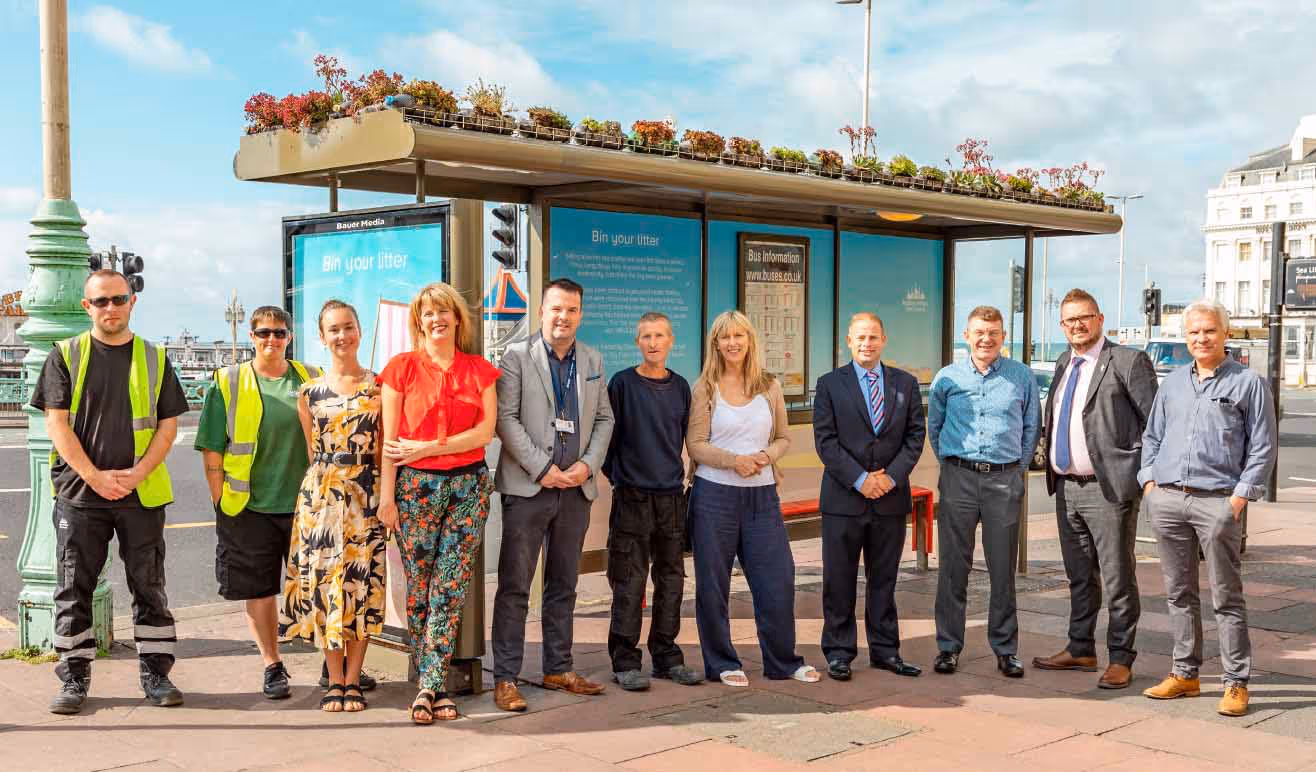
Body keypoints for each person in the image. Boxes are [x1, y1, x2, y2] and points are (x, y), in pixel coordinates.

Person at [36, 270, 189, 715]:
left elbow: (168, 425)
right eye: (100, 301)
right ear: (87, 307)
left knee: (149, 584)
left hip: (140, 494)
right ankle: (74, 677)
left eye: (118, 299)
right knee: (74, 586)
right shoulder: (66, 354)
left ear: (132, 302)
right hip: (81, 493)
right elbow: (56, 424)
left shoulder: (155, 357)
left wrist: (139, 472)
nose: (110, 308)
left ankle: (156, 673)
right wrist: (95, 476)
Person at [1139, 299, 1277, 717]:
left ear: (1224, 333)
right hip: (1167, 499)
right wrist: (1148, 484)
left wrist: (1237, 501)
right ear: (1186, 337)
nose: (1201, 338)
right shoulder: (1173, 383)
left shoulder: (1248, 383)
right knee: (1178, 593)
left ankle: (1236, 682)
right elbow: (1152, 437)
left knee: (1226, 596)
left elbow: (1262, 447)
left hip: (1217, 503)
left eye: (1209, 331)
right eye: (1194, 332)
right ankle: (1186, 673)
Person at [377, 282, 499, 725]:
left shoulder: (479, 370)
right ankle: (427, 678)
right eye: (428, 313)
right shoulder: (401, 369)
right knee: (420, 586)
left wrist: (426, 447)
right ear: (418, 321)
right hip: (416, 490)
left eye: (443, 311)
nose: (436, 320)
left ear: (457, 319)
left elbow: (484, 435)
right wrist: (386, 498)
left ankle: (433, 685)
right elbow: (390, 444)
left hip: (468, 486)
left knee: (450, 586)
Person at [491, 278, 615, 712]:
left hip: (575, 490)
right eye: (556, 309)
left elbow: (604, 420)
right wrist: (543, 469)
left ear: (581, 314)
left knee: (564, 583)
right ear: (541, 311)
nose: (563, 317)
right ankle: (506, 676)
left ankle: (558, 667)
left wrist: (586, 467)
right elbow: (504, 420)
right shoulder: (516, 358)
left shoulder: (592, 359)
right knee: (515, 587)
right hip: (530, 488)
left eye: (572, 310)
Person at [195, 306, 323, 700]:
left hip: (305, 505)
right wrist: (220, 499)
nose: (272, 340)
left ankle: (329, 664)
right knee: (260, 589)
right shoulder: (228, 381)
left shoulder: (311, 377)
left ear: (289, 337)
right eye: (264, 333)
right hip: (249, 506)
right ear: (252, 336)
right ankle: (272, 665)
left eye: (279, 333)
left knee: (316, 586)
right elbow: (212, 449)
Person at [687, 310, 820, 687]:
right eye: (725, 337)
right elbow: (695, 445)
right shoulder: (705, 387)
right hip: (714, 496)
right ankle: (722, 663)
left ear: (750, 341)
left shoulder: (769, 385)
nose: (732, 343)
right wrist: (734, 461)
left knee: (777, 578)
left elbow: (783, 436)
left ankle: (783, 661)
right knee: (713, 584)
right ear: (716, 343)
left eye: (739, 336)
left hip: (762, 497)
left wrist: (765, 457)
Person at [1032, 290, 1157, 689]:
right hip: (1066, 488)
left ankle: (1121, 657)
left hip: (1109, 489)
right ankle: (1080, 647)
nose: (1076, 326)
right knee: (1079, 576)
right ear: (1061, 325)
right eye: (1069, 320)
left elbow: (1154, 423)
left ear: (1100, 319)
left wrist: (1142, 475)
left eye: (1083, 318)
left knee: (1118, 577)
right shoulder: (1064, 361)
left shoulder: (1127, 360)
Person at [279, 300, 386, 713]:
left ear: (359, 330)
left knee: (362, 586)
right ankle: (333, 678)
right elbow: (312, 449)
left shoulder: (379, 387)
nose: (342, 335)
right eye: (333, 330)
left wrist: (383, 499)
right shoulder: (309, 393)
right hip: (321, 496)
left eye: (348, 327)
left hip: (365, 494)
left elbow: (380, 450)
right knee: (324, 586)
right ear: (321, 337)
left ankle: (353, 679)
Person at [928, 305, 1041, 679]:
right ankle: (948, 646)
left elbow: (1031, 429)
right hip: (958, 477)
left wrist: (1017, 471)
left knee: (1002, 569)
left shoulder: (1021, 377)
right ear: (966, 335)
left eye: (993, 333)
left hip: (1003, 481)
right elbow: (936, 426)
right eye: (979, 332)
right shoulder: (947, 378)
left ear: (1003, 337)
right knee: (952, 568)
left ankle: (1006, 649)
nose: (986, 339)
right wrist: (951, 465)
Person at [812, 312, 925, 682]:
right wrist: (861, 479)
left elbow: (914, 437)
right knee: (839, 580)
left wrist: (890, 478)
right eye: (860, 337)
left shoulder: (906, 384)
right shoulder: (829, 384)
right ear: (848, 340)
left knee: (885, 580)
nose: (867, 343)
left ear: (884, 339)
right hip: (844, 499)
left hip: (890, 500)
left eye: (873, 337)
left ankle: (886, 651)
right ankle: (839, 652)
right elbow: (825, 442)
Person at [602, 312, 702, 691]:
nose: (653, 342)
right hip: (632, 497)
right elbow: (609, 441)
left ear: (671, 340)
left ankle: (666, 655)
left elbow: (681, 437)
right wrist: (622, 480)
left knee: (672, 579)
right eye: (646, 336)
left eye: (660, 335)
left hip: (671, 499)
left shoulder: (680, 388)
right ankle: (625, 660)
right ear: (637, 342)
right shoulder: (623, 384)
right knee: (629, 580)